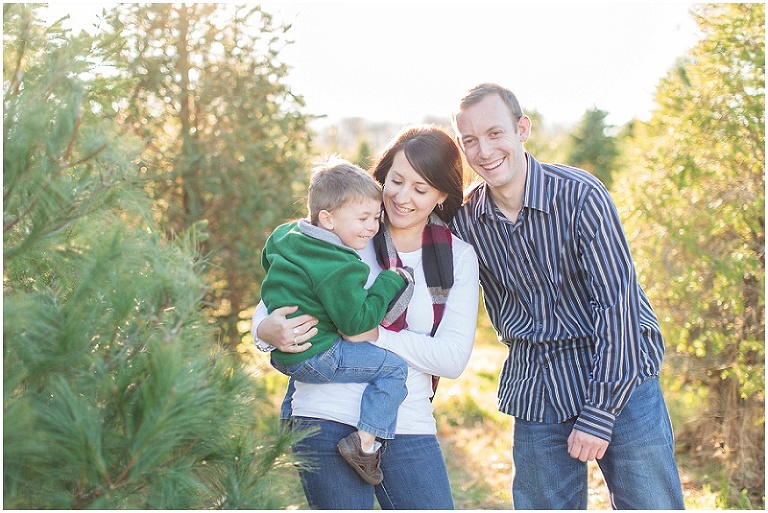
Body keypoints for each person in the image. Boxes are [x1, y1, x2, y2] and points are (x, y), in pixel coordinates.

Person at [449, 82, 685, 510]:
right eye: (470, 141)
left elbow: (619, 307)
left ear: (523, 128)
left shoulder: (580, 195)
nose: (484, 151)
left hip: (620, 376)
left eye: (495, 133)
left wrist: (599, 413)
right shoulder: (467, 221)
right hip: (539, 382)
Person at [252, 125, 479, 509]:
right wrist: (265, 330)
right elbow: (274, 305)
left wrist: (371, 334)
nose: (402, 198)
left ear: (441, 195)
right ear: (383, 176)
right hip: (325, 413)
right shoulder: (345, 231)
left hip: (407, 420)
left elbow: (452, 358)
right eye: (396, 181)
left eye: (421, 189)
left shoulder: (456, 257)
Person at [260, 156, 415, 485]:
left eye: (376, 217)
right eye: (363, 218)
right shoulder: (342, 265)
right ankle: (365, 444)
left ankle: (287, 421)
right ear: (328, 220)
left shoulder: (285, 235)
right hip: (320, 356)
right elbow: (357, 323)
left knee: (300, 365)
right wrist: (389, 281)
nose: (372, 227)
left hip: (286, 356)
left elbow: (267, 259)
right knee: (393, 369)